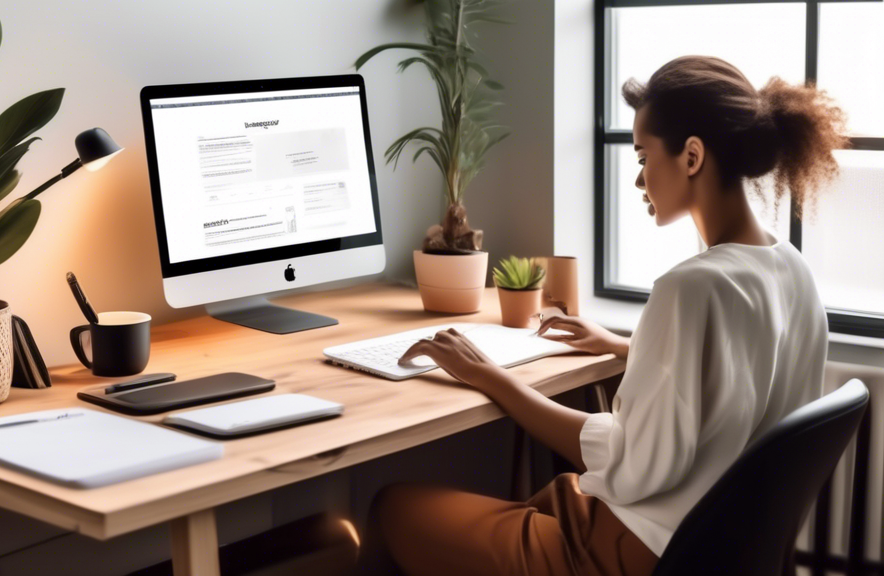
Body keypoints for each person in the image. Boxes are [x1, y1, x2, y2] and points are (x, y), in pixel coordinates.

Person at [356, 55, 849, 576]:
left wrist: (488, 375)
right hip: (712, 552)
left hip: (634, 553)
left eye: (643, 156)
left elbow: (633, 465)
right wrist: (625, 346)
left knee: (392, 508)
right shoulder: (792, 271)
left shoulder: (689, 287)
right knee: (547, 495)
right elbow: (742, 380)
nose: (639, 180)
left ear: (692, 156)